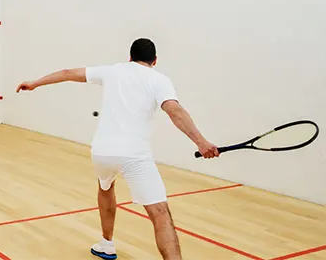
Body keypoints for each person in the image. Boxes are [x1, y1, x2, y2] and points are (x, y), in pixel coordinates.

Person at [15, 38, 219, 260]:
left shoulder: (112, 71)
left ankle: (106, 244)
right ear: (155, 60)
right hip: (134, 155)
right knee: (160, 213)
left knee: (106, 187)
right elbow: (174, 110)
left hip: (101, 152)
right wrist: (201, 142)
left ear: (130, 57)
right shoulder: (159, 80)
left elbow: (66, 73)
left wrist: (35, 83)